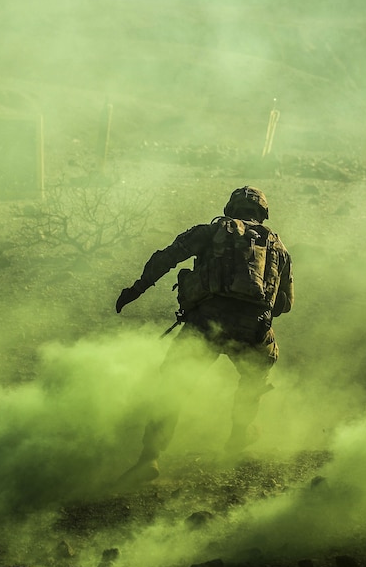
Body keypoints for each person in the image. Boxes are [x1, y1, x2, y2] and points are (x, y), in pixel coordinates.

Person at [115, 186, 294, 484]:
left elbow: (165, 258)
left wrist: (135, 290)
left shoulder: (211, 232)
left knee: (173, 385)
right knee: (253, 380)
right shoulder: (279, 248)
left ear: (230, 208)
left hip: (205, 323)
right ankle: (238, 438)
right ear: (263, 214)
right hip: (255, 328)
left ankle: (150, 457)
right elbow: (285, 305)